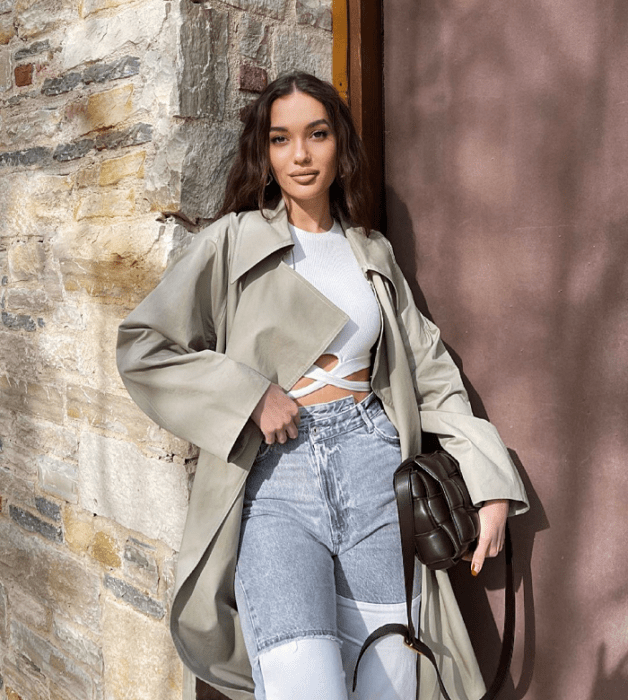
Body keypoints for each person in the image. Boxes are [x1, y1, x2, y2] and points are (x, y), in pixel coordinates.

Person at [117, 72, 528, 700]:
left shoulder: (372, 251)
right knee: (301, 685)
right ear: (266, 153)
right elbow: (143, 346)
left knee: (388, 686)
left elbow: (432, 373)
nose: (300, 155)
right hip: (276, 486)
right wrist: (249, 395)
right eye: (281, 140)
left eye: (316, 134)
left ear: (341, 148)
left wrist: (490, 482)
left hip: (374, 473)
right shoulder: (231, 242)